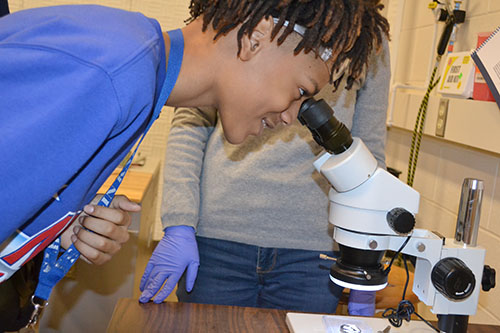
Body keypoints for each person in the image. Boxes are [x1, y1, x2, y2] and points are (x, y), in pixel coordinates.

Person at [1, 0, 387, 290]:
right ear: (258, 37)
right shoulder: (112, 73)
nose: (290, 117)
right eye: (300, 91)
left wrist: (60, 227)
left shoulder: (137, 73)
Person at [139, 36, 391, 316]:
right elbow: (190, 124)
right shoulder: (249, 19)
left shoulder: (367, 35)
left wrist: (366, 258)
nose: (287, 116)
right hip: (217, 240)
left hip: (313, 253)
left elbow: (370, 154)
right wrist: (179, 223)